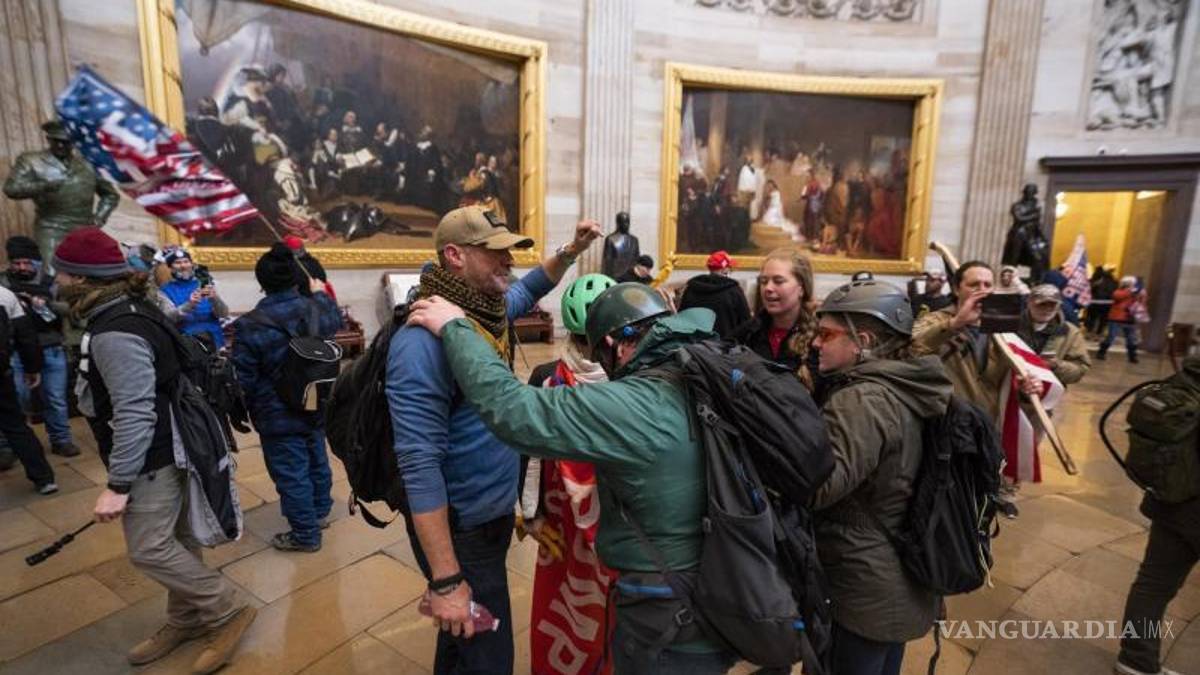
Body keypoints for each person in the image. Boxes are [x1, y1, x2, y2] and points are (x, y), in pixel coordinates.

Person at [406, 282, 737, 674]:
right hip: (726, 579)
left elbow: (513, 410)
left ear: (615, 343)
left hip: (668, 603)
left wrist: (457, 328)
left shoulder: (636, 401)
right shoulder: (709, 366)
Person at [387, 205, 601, 674]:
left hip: (490, 515)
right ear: (455, 256)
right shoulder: (422, 342)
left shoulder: (482, 308)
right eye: (496, 254)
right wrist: (445, 580)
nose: (509, 263)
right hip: (462, 529)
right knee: (489, 656)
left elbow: (529, 287)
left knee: (461, 639)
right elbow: (419, 466)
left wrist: (572, 250)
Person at [52, 228, 256, 673]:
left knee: (147, 547)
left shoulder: (114, 331)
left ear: (80, 279)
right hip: (178, 441)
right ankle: (185, 618)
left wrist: (118, 484)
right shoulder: (135, 307)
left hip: (156, 453)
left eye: (62, 274)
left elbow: (135, 412)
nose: (58, 283)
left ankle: (226, 609)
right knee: (178, 538)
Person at [809, 274, 953, 675]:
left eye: (826, 334)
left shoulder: (862, 399)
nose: (816, 342)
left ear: (865, 341)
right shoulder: (910, 383)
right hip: (901, 575)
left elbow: (820, 488)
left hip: (861, 584)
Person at [520, 273, 617, 675]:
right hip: (562, 514)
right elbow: (528, 451)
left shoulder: (631, 377)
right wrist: (530, 513)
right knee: (565, 606)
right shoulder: (547, 377)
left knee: (606, 611)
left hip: (610, 517)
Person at [231, 243, 343, 552]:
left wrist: (248, 408)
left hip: (275, 411)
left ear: (261, 283)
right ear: (298, 279)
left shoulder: (249, 324)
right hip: (315, 399)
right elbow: (335, 324)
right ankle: (319, 510)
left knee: (291, 473)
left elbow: (245, 378)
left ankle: (305, 534)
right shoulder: (317, 306)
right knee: (317, 458)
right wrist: (320, 293)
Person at [1114, 356, 1197, 675]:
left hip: (1172, 503)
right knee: (1154, 584)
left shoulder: (1185, 378)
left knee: (1153, 584)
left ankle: (1135, 660)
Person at [0, 235, 79, 457]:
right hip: (14, 351)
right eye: (17, 263)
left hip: (51, 347)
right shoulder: (3, 284)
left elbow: (72, 310)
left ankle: (61, 440)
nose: (22, 267)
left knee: (55, 399)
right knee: (14, 399)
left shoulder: (51, 283)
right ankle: (9, 446)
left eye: (27, 263)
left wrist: (44, 306)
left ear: (36, 263)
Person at [3, 120, 120, 265]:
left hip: (84, 227)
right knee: (53, 270)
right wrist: (43, 186)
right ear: (48, 139)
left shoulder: (88, 163)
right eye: (56, 141)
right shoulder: (31, 161)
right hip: (51, 226)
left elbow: (110, 195)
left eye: (65, 142)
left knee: (86, 270)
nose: (60, 145)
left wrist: (99, 218)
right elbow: (11, 189)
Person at [731, 247, 817, 386]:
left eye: (778, 281)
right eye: (764, 281)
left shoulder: (820, 339)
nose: (768, 288)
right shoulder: (748, 333)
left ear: (801, 288)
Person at [0, 274, 54, 491]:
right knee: (15, 426)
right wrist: (32, 367)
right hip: (1, 373)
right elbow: (25, 336)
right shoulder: (5, 295)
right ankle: (44, 478)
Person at [1018, 284, 1091, 387]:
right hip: (1009, 390)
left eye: (1052, 305)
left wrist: (1056, 366)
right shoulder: (1011, 326)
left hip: (1047, 394)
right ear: (1029, 303)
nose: (1047, 309)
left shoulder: (1070, 332)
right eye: (1042, 304)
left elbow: (1080, 368)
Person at [159, 247, 229, 350]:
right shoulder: (165, 290)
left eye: (186, 262)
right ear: (170, 267)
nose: (183, 266)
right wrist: (189, 304)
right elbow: (168, 318)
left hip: (215, 339)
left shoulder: (206, 283)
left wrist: (215, 299)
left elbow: (223, 314)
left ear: (191, 264)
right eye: (177, 263)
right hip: (187, 342)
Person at [678, 250, 751, 339]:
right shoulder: (734, 291)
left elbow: (681, 320)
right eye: (730, 268)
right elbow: (747, 324)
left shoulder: (691, 288)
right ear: (725, 269)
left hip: (693, 348)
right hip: (726, 348)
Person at [1098, 276, 1144, 363]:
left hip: (1129, 318)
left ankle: (1132, 356)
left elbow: (1140, 300)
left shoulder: (1134, 293)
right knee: (1111, 337)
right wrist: (1130, 292)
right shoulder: (1120, 292)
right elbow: (1117, 296)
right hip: (1116, 318)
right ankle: (1101, 352)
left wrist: (1138, 293)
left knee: (1131, 339)